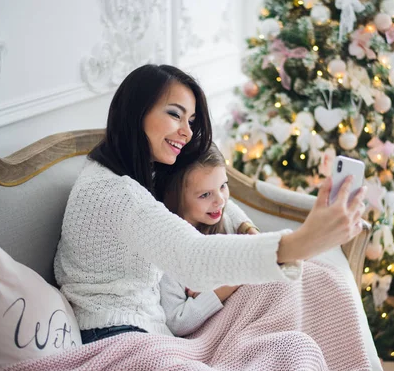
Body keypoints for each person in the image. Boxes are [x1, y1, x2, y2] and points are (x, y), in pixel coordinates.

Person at [53, 64, 366, 344]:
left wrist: (247, 227)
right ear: (137, 113)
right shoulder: (116, 194)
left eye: (190, 119)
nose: (187, 131)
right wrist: (300, 242)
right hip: (116, 337)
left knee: (314, 289)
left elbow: (214, 198)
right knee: (290, 348)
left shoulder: (141, 167)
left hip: (154, 332)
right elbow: (194, 256)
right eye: (175, 114)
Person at [158, 143, 244, 337]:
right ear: (177, 197)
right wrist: (230, 283)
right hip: (222, 333)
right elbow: (176, 322)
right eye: (205, 194)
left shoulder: (225, 220)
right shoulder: (170, 251)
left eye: (223, 186)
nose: (220, 200)